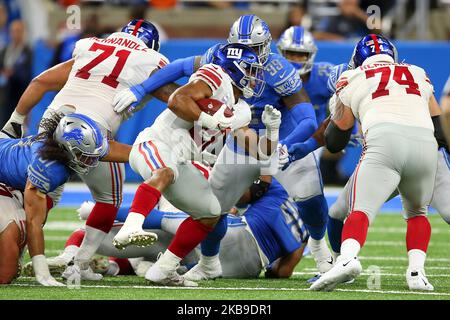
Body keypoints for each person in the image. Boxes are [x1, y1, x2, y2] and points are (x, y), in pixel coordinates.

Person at [112, 14, 329, 275]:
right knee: (217, 209)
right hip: (233, 141)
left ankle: (322, 253)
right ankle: (205, 264)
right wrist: (141, 89)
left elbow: (305, 120)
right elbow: (180, 75)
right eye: (244, 53)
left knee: (309, 197)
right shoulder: (218, 67)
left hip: (278, 140)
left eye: (254, 51)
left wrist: (281, 140)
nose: (251, 62)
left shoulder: (271, 77)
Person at [1, 19, 181, 283]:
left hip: (58, 122)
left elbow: (39, 82)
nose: (89, 161)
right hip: (92, 128)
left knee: (47, 192)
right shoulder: (148, 62)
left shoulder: (92, 48)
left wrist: (14, 121)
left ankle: (40, 238)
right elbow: (177, 99)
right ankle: (79, 261)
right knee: (105, 198)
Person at [113, 42, 282, 287]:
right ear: (234, 68)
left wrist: (273, 130)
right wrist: (208, 119)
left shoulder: (242, 109)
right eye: (250, 70)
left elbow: (261, 151)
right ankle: (131, 226)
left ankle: (163, 269)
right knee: (165, 171)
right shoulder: (215, 76)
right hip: (157, 143)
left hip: (182, 162)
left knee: (211, 213)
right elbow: (177, 100)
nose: (255, 78)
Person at [309, 34, 440, 292]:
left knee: (359, 210)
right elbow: (438, 125)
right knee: (417, 213)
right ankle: (416, 274)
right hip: (426, 143)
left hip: (385, 142)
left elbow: (336, 141)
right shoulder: (417, 72)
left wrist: (336, 109)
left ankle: (347, 259)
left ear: (358, 60)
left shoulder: (353, 77)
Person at [29, 177, 308, 280]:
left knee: (172, 219)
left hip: (228, 236)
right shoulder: (302, 229)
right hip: (244, 270)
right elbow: (283, 271)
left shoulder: (264, 186)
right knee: (173, 249)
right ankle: (124, 266)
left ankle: (101, 216)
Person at [0, 110, 129, 285]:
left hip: (11, 184)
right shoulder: (48, 168)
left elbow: (118, 152)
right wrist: (42, 272)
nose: (92, 161)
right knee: (5, 273)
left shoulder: (65, 150)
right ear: (68, 149)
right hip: (6, 185)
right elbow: (34, 221)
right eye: (85, 156)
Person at [0, 19, 31, 128]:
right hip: (4, 96)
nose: (16, 34)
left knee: (16, 129)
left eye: (19, 31)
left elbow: (28, 75)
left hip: (19, 96)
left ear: (23, 32)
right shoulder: (5, 50)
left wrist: (13, 73)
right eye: (13, 31)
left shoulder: (28, 51)